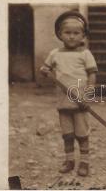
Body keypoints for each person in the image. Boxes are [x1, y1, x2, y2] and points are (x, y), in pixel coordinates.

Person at [40, 10, 97, 176]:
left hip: (80, 102)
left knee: (82, 134)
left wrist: (89, 92)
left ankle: (84, 163)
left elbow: (92, 74)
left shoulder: (85, 54)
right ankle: (70, 160)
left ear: (83, 35)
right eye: (67, 33)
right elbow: (46, 69)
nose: (72, 36)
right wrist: (44, 70)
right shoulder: (55, 54)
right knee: (67, 134)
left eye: (76, 33)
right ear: (60, 34)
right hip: (63, 102)